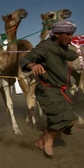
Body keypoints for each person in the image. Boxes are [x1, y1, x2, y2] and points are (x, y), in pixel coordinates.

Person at [19, 19, 78, 156]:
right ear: (57, 34)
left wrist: (73, 55)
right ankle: (49, 139)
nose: (70, 38)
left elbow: (68, 54)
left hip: (62, 89)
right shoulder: (44, 46)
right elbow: (25, 59)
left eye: (72, 34)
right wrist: (33, 65)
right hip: (48, 89)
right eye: (67, 34)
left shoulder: (63, 47)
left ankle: (40, 141)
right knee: (69, 119)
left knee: (60, 120)